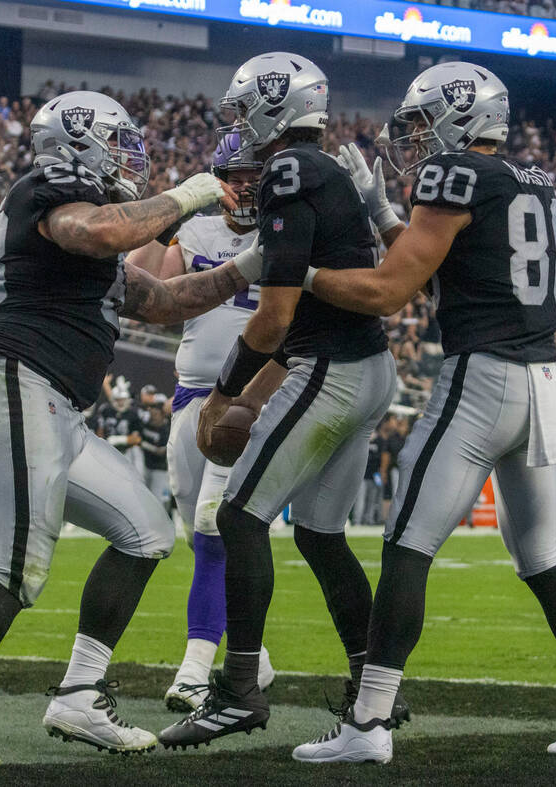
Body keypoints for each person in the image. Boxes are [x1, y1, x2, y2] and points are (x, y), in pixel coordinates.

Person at [0, 90, 260, 766]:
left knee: (147, 530)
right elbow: (97, 232)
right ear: (81, 141)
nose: (128, 159)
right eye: (118, 144)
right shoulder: (50, 189)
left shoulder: (83, 218)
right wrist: (195, 191)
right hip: (15, 381)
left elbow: (165, 299)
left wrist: (256, 267)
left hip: (55, 403)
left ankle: (81, 692)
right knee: (19, 565)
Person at [291, 62, 556, 764]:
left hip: (482, 376)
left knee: (407, 541)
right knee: (541, 557)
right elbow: (445, 263)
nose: (414, 139)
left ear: (462, 114)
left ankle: (368, 721)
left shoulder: (454, 176)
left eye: (421, 123)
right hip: (542, 380)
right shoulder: (529, 180)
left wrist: (294, 269)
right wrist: (386, 214)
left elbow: (391, 290)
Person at [160, 52, 405, 750]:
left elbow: (272, 319)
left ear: (273, 106)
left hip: (335, 367)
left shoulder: (290, 172)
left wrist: (224, 393)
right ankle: (373, 688)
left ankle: (237, 691)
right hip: (365, 364)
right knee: (320, 533)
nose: (239, 124)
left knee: (239, 517)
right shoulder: (320, 169)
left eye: (244, 109)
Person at [126, 133, 276, 711]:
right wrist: (170, 219)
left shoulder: (285, 235)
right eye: (233, 174)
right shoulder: (197, 232)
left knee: (214, 530)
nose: (244, 185)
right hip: (190, 398)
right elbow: (139, 291)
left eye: (253, 174)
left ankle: (193, 672)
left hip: (247, 402)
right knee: (199, 531)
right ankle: (253, 656)